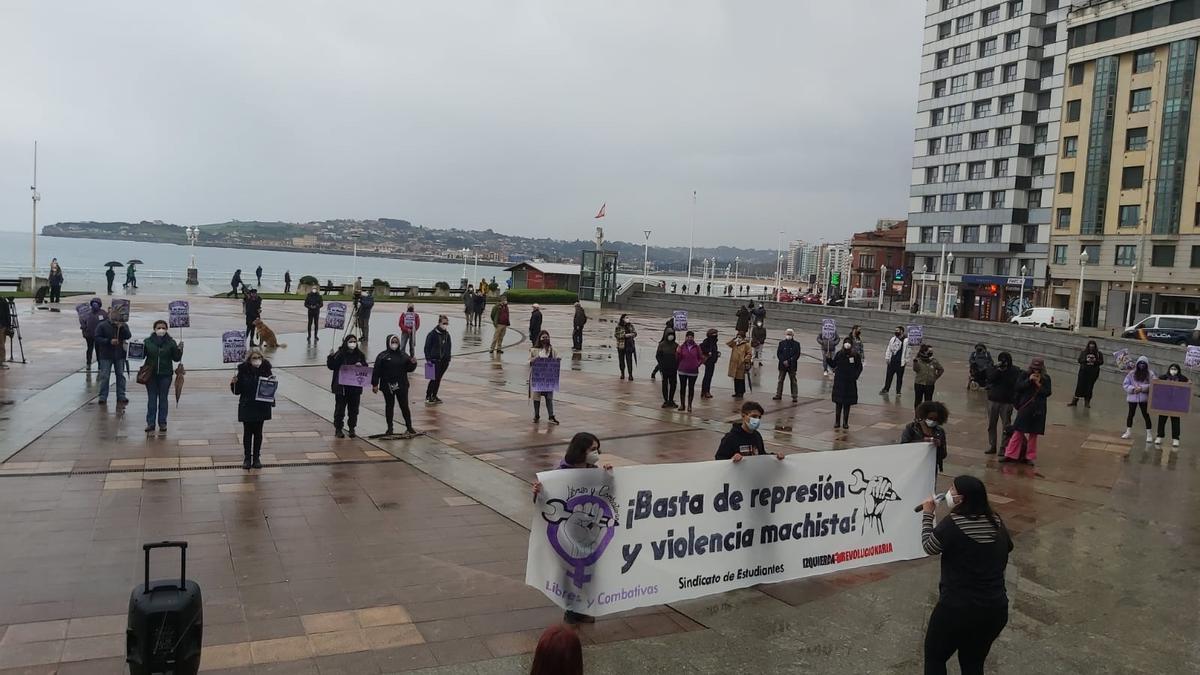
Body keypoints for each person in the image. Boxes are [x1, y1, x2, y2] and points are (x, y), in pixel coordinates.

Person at [919, 475, 1012, 675]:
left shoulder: (953, 523)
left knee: (935, 656)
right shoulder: (996, 521)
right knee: (972, 662)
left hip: (957, 608)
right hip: (994, 609)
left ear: (961, 499)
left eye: (952, 490)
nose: (948, 493)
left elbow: (929, 546)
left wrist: (928, 514)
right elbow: (1008, 547)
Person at [531, 432, 612, 625]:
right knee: (568, 570)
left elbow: (607, 494)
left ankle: (581, 608)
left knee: (588, 572)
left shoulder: (594, 471)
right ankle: (571, 609)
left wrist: (609, 477)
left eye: (597, 449)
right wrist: (538, 493)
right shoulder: (560, 473)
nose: (596, 453)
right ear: (580, 450)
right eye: (593, 449)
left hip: (589, 533)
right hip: (566, 533)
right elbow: (547, 502)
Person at [1001, 358, 1051, 465]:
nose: (1036, 371)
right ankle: (1010, 454)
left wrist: (1038, 384)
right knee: (1018, 431)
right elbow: (1018, 387)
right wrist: (1029, 380)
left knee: (1033, 434)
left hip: (1038, 409)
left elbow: (1047, 392)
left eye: (1038, 369)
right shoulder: (1024, 375)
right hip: (1025, 407)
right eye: (1034, 369)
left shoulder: (1046, 378)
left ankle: (1029, 457)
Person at [231, 349, 272, 469]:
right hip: (247, 405)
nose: (257, 360)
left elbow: (270, 388)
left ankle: (256, 458)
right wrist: (234, 383)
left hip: (261, 406)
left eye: (259, 357)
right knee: (247, 433)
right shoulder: (243, 371)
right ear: (249, 359)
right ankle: (247, 458)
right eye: (254, 358)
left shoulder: (266, 370)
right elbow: (237, 391)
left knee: (258, 433)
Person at [142, 319, 183, 434]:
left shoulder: (171, 342)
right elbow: (141, 355)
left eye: (163, 328)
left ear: (166, 329)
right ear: (154, 329)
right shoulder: (148, 342)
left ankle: (162, 422)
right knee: (152, 399)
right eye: (159, 327)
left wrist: (179, 349)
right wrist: (132, 348)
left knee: (163, 399)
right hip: (150, 375)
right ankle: (150, 423)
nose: (161, 330)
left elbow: (176, 358)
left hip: (165, 375)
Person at [372, 334, 417, 436]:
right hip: (387, 386)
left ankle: (409, 427)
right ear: (388, 343)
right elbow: (376, 371)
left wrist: (413, 363)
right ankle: (390, 428)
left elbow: (409, 368)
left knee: (404, 406)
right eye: (393, 342)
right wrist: (374, 384)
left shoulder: (403, 355)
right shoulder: (382, 356)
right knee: (389, 406)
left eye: (396, 342)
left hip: (402, 385)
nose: (394, 344)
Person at [715, 401, 785, 461]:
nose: (757, 419)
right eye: (754, 416)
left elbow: (761, 455)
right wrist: (731, 460)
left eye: (759, 417)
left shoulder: (757, 435)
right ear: (743, 416)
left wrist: (775, 456)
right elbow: (719, 459)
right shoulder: (730, 438)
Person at [327, 335, 368, 438]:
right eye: (350, 341)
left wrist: (361, 365)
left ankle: (352, 428)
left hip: (355, 388)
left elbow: (365, 368)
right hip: (342, 388)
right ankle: (338, 429)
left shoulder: (360, 355)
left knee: (353, 410)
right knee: (340, 409)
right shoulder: (340, 354)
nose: (353, 343)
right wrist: (330, 357)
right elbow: (332, 366)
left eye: (354, 341)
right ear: (346, 342)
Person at [94, 309, 131, 406]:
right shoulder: (102, 325)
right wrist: (108, 341)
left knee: (120, 375)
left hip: (119, 355)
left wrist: (122, 328)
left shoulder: (123, 325)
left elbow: (128, 336)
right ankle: (103, 396)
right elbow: (97, 338)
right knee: (105, 376)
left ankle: (121, 395)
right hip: (106, 355)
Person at [984, 352, 1019, 455]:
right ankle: (992, 445)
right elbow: (990, 378)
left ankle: (1003, 448)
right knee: (991, 425)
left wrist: (1006, 371)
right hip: (993, 400)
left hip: (1007, 402)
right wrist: (998, 370)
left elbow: (1013, 382)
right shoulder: (994, 368)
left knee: (1006, 426)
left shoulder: (1014, 370)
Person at [902, 401, 949, 473]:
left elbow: (943, 455)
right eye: (930, 418)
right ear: (924, 416)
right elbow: (904, 446)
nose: (932, 421)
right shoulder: (911, 428)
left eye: (935, 419)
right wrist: (922, 441)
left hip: (931, 468)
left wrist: (939, 445)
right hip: (914, 465)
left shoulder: (940, 431)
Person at [831, 337, 863, 431]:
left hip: (850, 382)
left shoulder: (855, 355)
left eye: (849, 343)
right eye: (846, 342)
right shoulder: (839, 354)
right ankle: (837, 422)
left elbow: (859, 367)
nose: (847, 344)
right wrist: (828, 358)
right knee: (838, 403)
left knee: (847, 404)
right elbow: (833, 364)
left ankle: (845, 422)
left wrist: (855, 376)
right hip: (839, 382)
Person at [1121, 356, 1156, 442]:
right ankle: (1128, 431)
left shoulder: (1150, 374)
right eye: (1140, 363)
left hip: (1144, 399)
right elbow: (1125, 384)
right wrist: (1132, 389)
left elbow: (1154, 384)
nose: (1142, 365)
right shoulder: (1131, 373)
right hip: (1132, 397)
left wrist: (1142, 388)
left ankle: (1149, 434)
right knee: (1130, 414)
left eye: (1143, 363)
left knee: (1146, 415)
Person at [529, 330, 560, 424]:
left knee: (549, 397)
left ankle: (551, 416)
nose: (545, 339)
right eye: (543, 337)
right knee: (536, 397)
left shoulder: (552, 350)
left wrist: (558, 359)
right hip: (538, 377)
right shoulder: (534, 350)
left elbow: (557, 358)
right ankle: (536, 415)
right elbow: (530, 362)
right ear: (540, 338)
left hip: (549, 377)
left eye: (547, 337)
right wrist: (536, 358)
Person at [1155, 364, 1187, 448]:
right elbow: (1156, 382)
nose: (1173, 370)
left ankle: (1176, 439)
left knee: (1175, 421)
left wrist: (1189, 382)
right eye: (1172, 368)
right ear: (1169, 369)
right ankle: (1159, 436)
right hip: (1165, 403)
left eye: (1175, 369)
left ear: (1178, 370)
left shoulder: (1182, 378)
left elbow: (1188, 385)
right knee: (1162, 420)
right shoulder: (1164, 377)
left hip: (1176, 404)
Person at [424, 314, 452, 404]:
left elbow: (448, 347)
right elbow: (427, 348)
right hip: (433, 360)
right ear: (439, 323)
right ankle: (428, 396)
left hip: (444, 361)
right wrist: (428, 359)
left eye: (447, 323)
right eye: (444, 323)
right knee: (433, 378)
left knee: (438, 378)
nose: (445, 325)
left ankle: (434, 395)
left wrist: (448, 358)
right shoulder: (432, 334)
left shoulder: (447, 335)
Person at [1069, 341, 1104, 407]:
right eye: (1090, 347)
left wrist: (1095, 361)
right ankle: (1075, 401)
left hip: (1093, 373)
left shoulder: (1099, 354)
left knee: (1089, 387)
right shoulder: (1084, 352)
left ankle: (1087, 402)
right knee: (1079, 386)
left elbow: (1101, 362)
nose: (1091, 348)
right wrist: (1086, 360)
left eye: (1093, 347)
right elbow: (1079, 360)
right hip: (1083, 372)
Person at [676, 330, 702, 412]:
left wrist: (697, 364)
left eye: (691, 337)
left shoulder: (697, 347)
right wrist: (677, 352)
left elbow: (701, 357)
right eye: (688, 337)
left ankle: (690, 405)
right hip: (682, 370)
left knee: (691, 388)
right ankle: (682, 405)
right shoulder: (682, 347)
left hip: (693, 372)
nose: (689, 338)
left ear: (693, 338)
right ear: (686, 337)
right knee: (682, 388)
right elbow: (677, 359)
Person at [880, 326, 910, 395]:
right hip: (892, 361)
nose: (896, 332)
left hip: (900, 362)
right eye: (895, 330)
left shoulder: (906, 340)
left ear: (902, 331)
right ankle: (886, 389)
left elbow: (908, 351)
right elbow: (889, 348)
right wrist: (887, 357)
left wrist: (906, 361)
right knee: (888, 376)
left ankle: (898, 391)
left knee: (899, 378)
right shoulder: (893, 339)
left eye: (897, 330)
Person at [773, 328, 800, 403]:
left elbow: (797, 355)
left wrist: (789, 361)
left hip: (792, 366)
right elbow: (779, 353)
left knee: (793, 381)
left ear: (793, 335)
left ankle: (794, 396)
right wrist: (783, 361)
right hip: (782, 365)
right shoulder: (782, 343)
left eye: (790, 334)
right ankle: (778, 394)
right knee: (780, 380)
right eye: (788, 334)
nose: (789, 335)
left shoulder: (796, 344)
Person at [655, 327, 679, 408]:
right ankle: (666, 400)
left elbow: (679, 357)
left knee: (673, 384)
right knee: (664, 384)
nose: (671, 336)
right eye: (669, 335)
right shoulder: (662, 345)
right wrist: (661, 366)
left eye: (672, 335)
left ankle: (671, 400)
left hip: (673, 368)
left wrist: (677, 365)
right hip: (664, 369)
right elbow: (658, 356)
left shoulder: (676, 345)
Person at [80, 297, 106, 370]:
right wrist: (84, 331)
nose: (95, 305)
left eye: (96, 303)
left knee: (99, 350)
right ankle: (88, 363)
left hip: (99, 336)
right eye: (93, 303)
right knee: (90, 349)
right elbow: (83, 323)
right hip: (89, 335)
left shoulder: (103, 313)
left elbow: (107, 323)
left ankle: (100, 364)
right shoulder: (87, 313)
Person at [726, 331, 753, 399]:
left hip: (741, 364)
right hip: (734, 364)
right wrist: (734, 339)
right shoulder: (735, 343)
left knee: (740, 379)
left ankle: (741, 392)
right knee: (735, 378)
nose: (739, 338)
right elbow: (728, 344)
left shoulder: (746, 344)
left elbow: (749, 354)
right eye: (738, 337)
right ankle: (736, 392)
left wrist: (745, 360)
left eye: (740, 337)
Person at [614, 314, 637, 380]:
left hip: (629, 345)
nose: (627, 319)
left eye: (628, 318)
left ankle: (630, 375)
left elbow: (635, 333)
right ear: (622, 319)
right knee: (621, 360)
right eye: (626, 318)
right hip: (621, 345)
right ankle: (622, 373)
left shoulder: (631, 325)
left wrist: (632, 334)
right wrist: (625, 335)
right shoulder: (618, 326)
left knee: (629, 360)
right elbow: (616, 335)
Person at [700, 328, 720, 399]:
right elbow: (701, 347)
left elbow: (714, 350)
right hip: (709, 361)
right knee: (707, 376)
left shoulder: (714, 342)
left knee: (708, 376)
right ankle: (705, 391)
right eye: (715, 334)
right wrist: (708, 352)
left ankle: (705, 391)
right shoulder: (708, 341)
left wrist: (717, 353)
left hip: (712, 360)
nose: (716, 335)